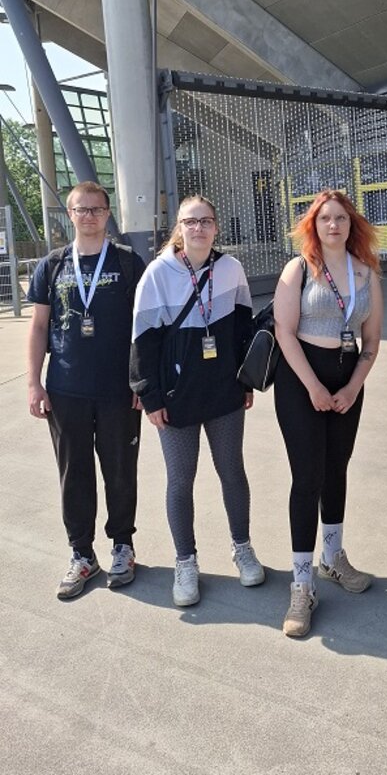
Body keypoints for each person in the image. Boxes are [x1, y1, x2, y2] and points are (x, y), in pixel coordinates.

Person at [130, 195, 264, 607]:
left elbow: (243, 328)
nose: (199, 229)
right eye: (191, 222)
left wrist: (246, 381)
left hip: (224, 391)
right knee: (180, 480)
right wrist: (149, 396)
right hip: (176, 398)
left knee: (232, 472)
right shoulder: (157, 273)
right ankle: (186, 562)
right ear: (180, 227)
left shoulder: (231, 269)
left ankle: (242, 548)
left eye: (206, 221)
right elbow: (142, 340)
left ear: (217, 226)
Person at [27, 181, 145, 599]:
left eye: (97, 209)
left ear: (108, 213)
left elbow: (145, 327)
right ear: (71, 215)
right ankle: (82, 554)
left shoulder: (130, 262)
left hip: (119, 390)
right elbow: (39, 326)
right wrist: (34, 383)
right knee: (73, 474)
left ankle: (122, 547)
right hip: (65, 390)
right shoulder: (52, 265)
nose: (90, 215)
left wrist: (142, 381)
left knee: (119, 471)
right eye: (82, 209)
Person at [273, 190, 383, 638]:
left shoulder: (367, 272)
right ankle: (302, 583)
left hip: (347, 379)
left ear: (352, 223)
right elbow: (284, 331)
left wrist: (353, 385)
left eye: (340, 218)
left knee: (336, 469)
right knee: (308, 478)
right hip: (301, 380)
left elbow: (371, 341)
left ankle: (333, 557)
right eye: (324, 219)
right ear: (313, 227)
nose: (333, 225)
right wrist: (314, 386)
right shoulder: (299, 269)